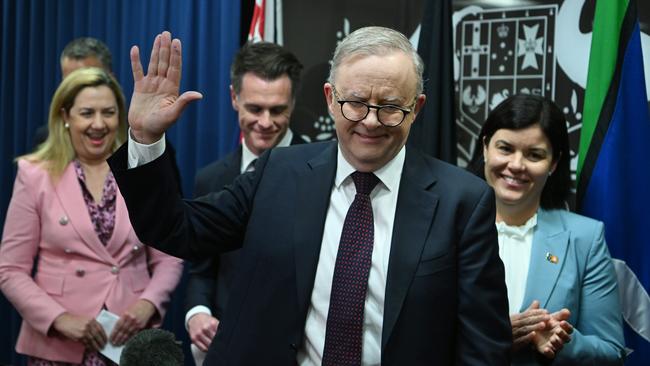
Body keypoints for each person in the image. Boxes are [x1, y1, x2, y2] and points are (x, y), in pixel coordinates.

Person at [109, 28, 511, 365]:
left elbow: (483, 346)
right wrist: (145, 138)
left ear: (417, 107)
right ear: (329, 99)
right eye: (355, 103)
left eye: (390, 107)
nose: (370, 122)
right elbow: (178, 230)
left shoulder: (463, 201)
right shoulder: (278, 172)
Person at [0, 67, 183, 365]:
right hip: (58, 346)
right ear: (65, 117)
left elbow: (169, 257)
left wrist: (148, 303)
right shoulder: (34, 175)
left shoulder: (144, 170)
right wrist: (60, 319)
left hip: (130, 344)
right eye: (87, 113)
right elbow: (10, 269)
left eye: (108, 113)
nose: (98, 124)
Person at [468, 94, 625, 364]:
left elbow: (612, 352)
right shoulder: (445, 226)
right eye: (505, 148)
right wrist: (498, 334)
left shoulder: (585, 239)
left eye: (535, 155)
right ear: (485, 148)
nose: (516, 165)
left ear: (553, 163)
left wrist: (562, 340)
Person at [185, 41, 304, 365]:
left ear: (293, 103)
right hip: (227, 347)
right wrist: (197, 313)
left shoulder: (326, 169)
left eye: (277, 110)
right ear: (234, 98)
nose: (265, 123)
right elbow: (202, 269)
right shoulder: (210, 178)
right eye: (255, 109)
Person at [33, 37, 113, 146]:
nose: (76, 89)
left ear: (110, 79)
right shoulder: (47, 138)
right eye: (69, 82)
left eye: (87, 81)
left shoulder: (136, 137)